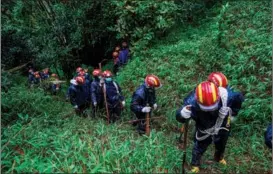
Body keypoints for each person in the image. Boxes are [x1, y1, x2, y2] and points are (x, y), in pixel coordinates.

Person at [176, 81, 244, 173]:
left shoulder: (228, 96)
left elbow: (239, 99)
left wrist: (233, 114)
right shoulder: (191, 101)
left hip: (222, 124)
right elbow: (180, 117)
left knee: (221, 143)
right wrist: (182, 114)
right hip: (204, 126)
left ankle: (219, 158)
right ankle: (195, 164)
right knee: (200, 145)